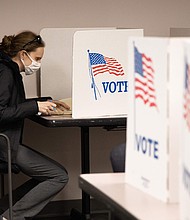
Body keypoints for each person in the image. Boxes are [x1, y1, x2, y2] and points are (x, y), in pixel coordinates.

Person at [0, 31, 69, 220]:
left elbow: (14, 105)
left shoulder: (9, 70)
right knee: (58, 176)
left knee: (52, 175)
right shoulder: (5, 72)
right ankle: (10, 218)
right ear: (23, 54)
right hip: (3, 142)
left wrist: (47, 101)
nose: (38, 63)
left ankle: (7, 213)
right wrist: (35, 106)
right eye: (37, 58)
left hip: (7, 140)